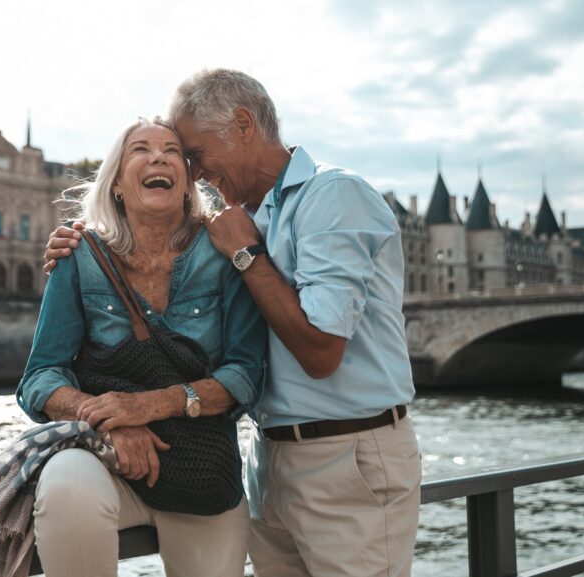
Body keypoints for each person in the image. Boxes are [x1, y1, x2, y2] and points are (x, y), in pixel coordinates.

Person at [44, 70, 421, 577]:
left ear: (242, 125)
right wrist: (77, 246)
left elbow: (321, 352)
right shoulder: (246, 216)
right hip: (270, 458)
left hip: (348, 455)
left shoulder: (333, 196)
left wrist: (245, 254)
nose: (195, 173)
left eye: (192, 153)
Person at [17, 116, 267, 577]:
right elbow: (39, 378)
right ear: (116, 184)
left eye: (172, 150)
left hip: (203, 472)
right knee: (67, 484)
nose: (158, 157)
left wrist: (147, 406)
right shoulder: (81, 255)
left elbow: (246, 374)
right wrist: (108, 420)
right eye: (140, 149)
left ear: (188, 181)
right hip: (108, 461)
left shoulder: (224, 254)